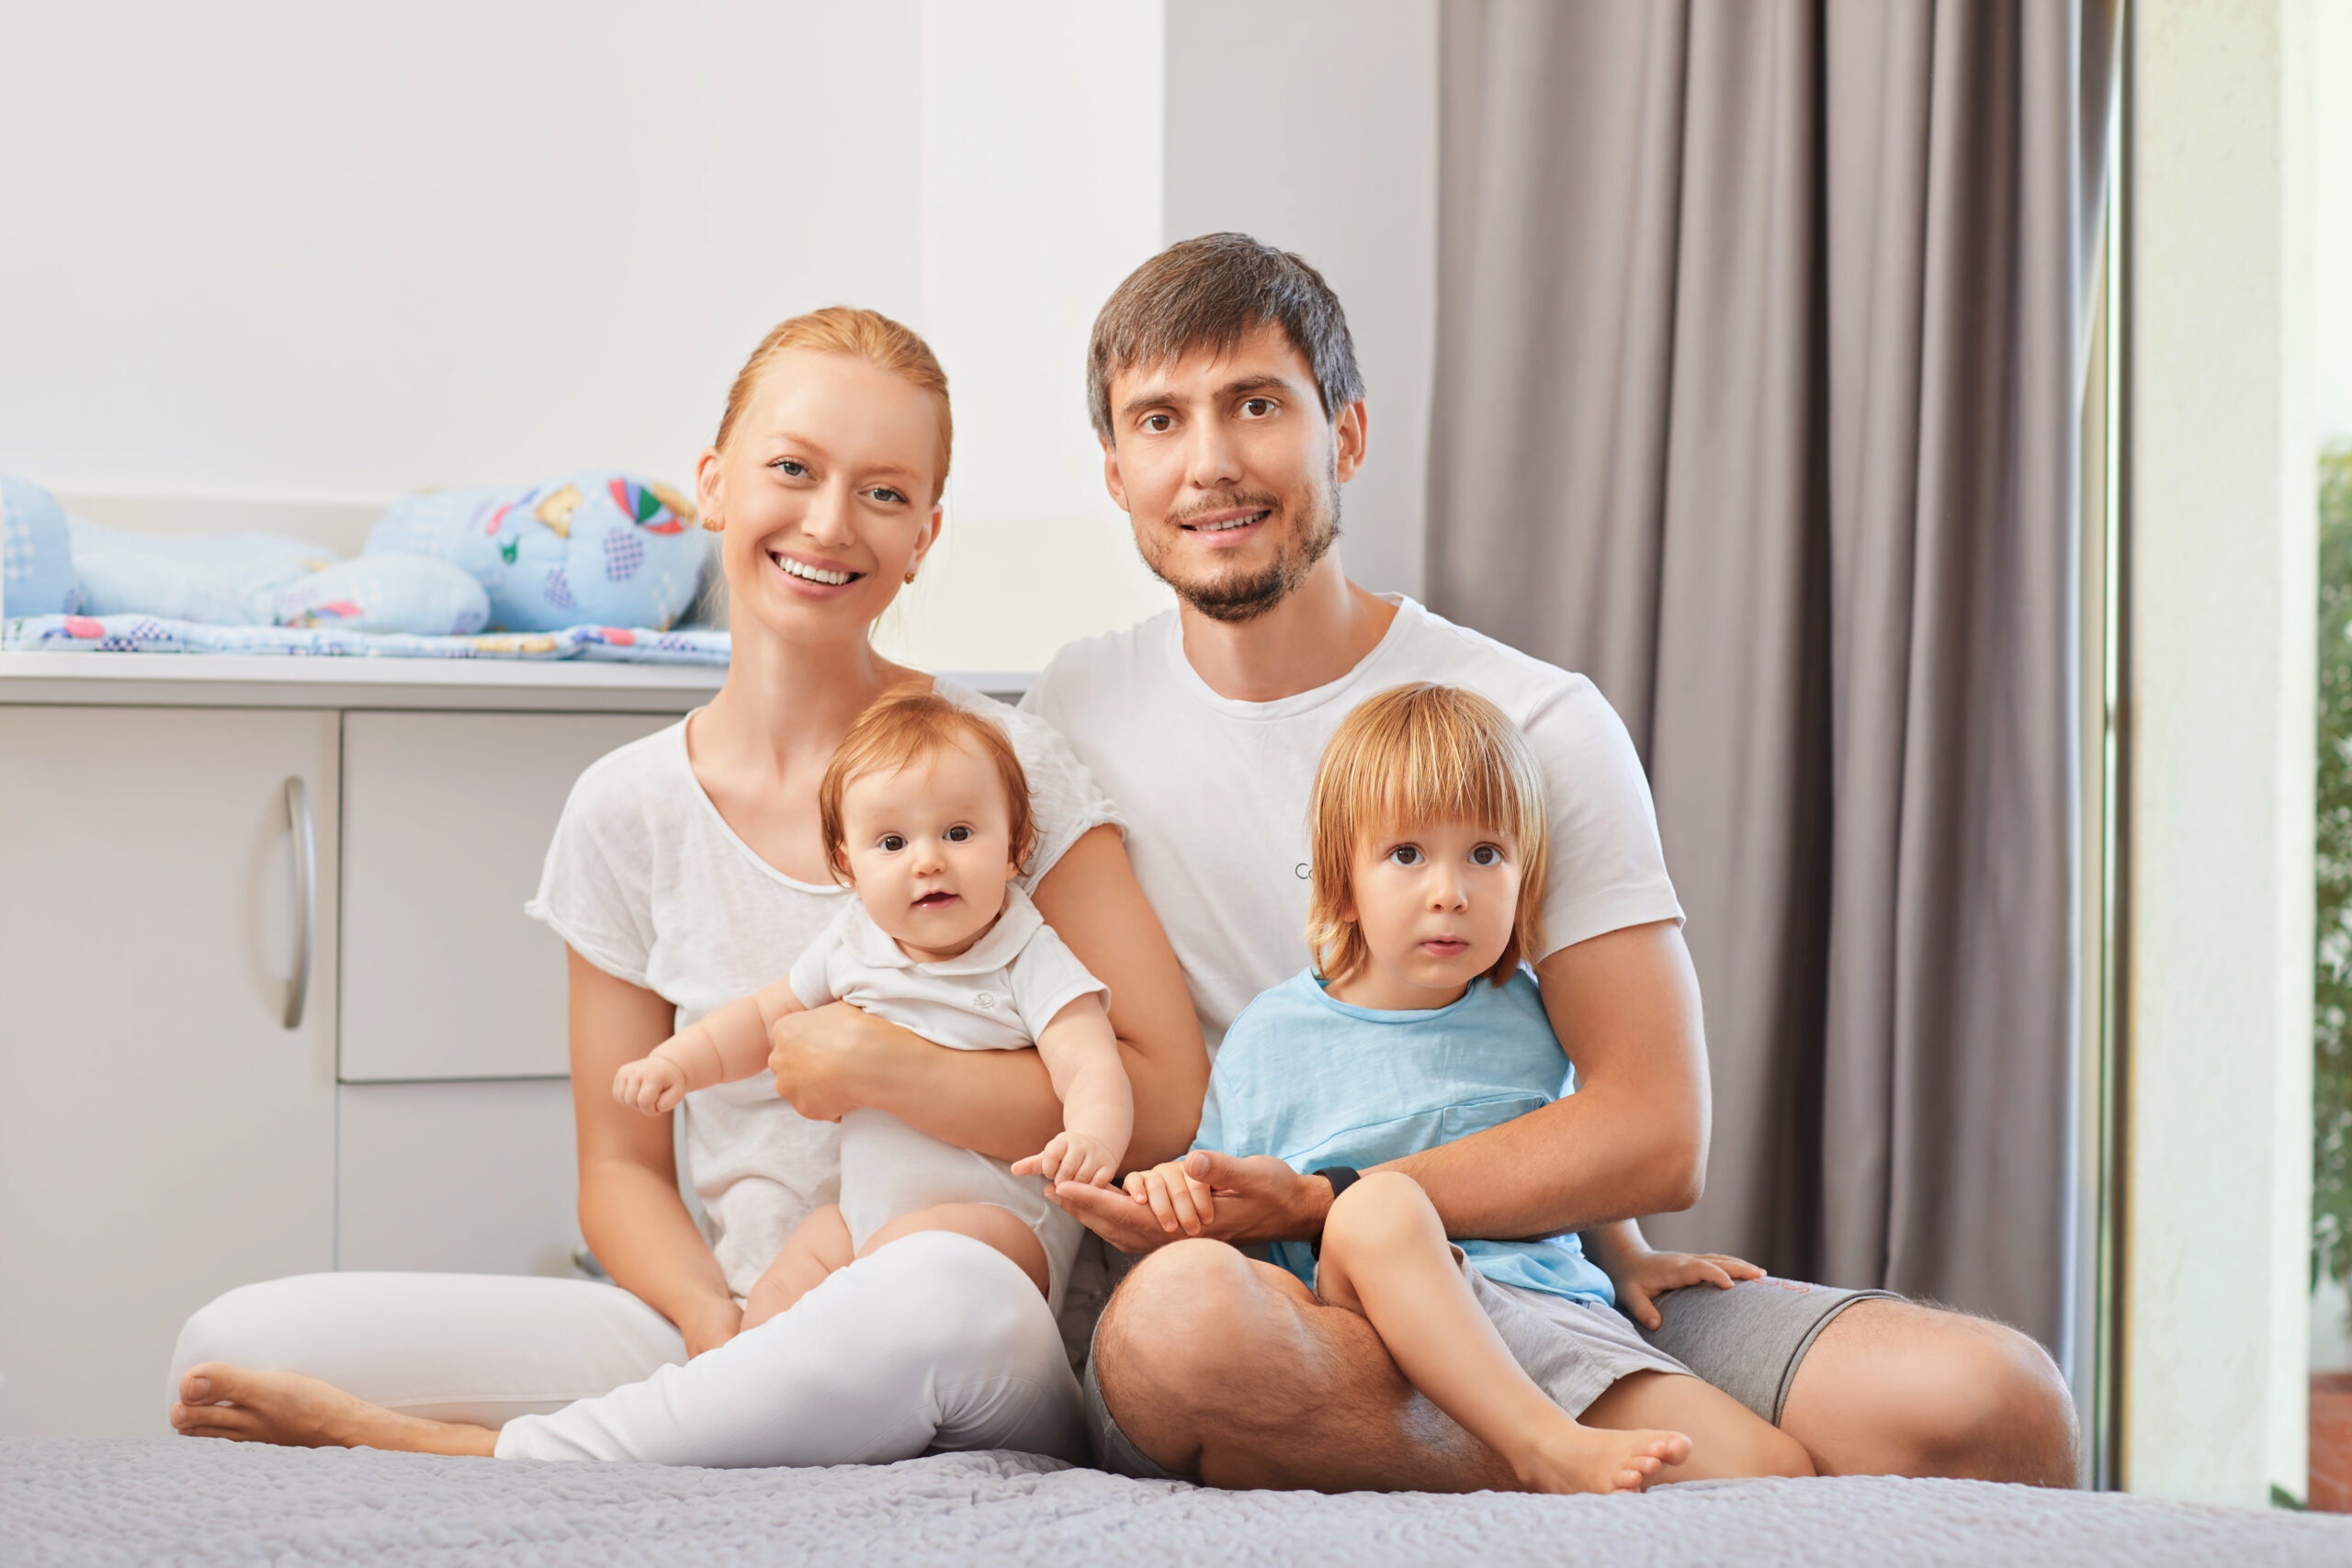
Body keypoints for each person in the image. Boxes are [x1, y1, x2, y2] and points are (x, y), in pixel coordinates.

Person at [1028, 232, 2080, 1490]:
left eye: (1258, 404)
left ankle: (1587, 1459)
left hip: (1538, 1271)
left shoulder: (1529, 719)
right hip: (1269, 1301)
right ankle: (1657, 1479)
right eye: (1161, 420)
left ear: (1345, 436)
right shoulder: (1072, 710)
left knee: (1997, 1399)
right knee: (1173, 1326)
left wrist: (1339, 1196)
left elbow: (1652, 1123)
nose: (1209, 462)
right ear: (1114, 470)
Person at [165, 306, 1208, 1466]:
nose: (828, 522)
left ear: (924, 534)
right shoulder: (627, 809)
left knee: (935, 1298)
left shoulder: (1002, 768)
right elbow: (617, 1172)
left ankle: (487, 1458)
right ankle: (702, 1424)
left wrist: (891, 1070)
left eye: (882, 492)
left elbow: (1162, 1102)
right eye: (791, 469)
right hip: (736, 1315)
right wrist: (717, 1327)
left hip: (967, 1328)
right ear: (714, 484)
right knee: (234, 1339)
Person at [1125, 682, 1809, 1493]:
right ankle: (1539, 1447)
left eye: (1484, 855)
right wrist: (1173, 1191)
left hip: (1547, 1315)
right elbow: (1221, 1198)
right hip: (1373, 1331)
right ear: (1344, 881)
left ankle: (1530, 1444)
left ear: (1527, 876)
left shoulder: (1530, 1012)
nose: (1449, 890)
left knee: (1779, 1470)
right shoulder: (1270, 1036)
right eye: (1407, 855)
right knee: (1377, 1204)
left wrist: (1626, 1255)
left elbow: (1561, 1145)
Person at [613, 689, 1132, 1331]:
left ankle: (832, 1355)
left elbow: (1091, 1063)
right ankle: (749, 1377)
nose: (928, 859)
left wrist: (1091, 1134)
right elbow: (758, 1019)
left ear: (1015, 847)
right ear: (847, 866)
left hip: (1000, 1235)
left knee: (910, 1258)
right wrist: (679, 1063)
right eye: (891, 842)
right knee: (788, 1278)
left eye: (959, 832)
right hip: (862, 1220)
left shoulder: (1026, 953)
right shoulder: (851, 943)